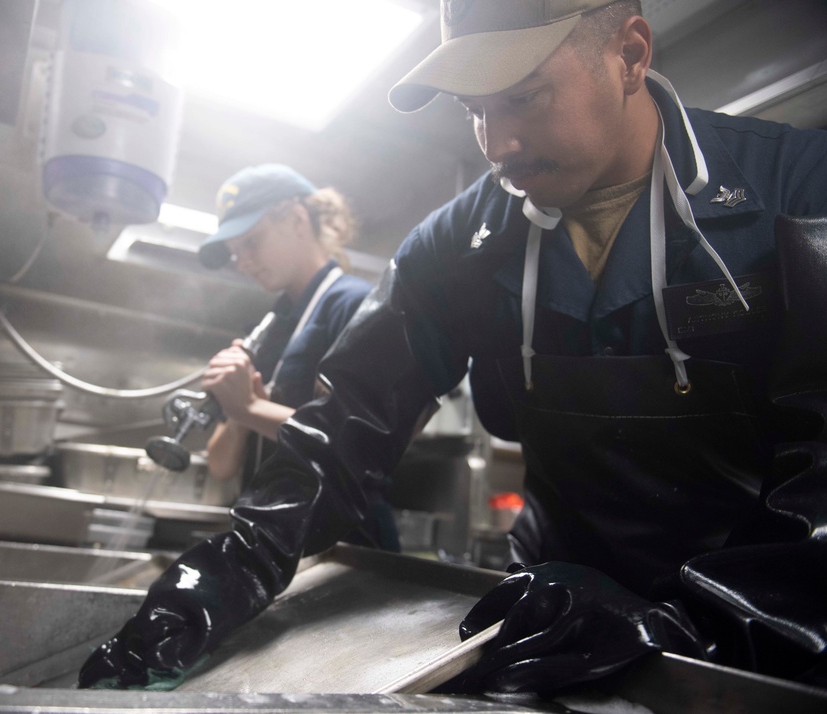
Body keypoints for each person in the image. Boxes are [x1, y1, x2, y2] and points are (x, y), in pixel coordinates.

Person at [78, 0, 827, 694]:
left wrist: (700, 629)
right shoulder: (455, 244)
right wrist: (219, 579)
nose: (497, 145)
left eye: (523, 96)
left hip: (759, 625)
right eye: (475, 111)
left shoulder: (799, 191)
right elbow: (343, 434)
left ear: (630, 54)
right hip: (547, 614)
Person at [197, 163, 400, 552]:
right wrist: (238, 407)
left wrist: (250, 406)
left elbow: (356, 443)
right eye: (233, 253)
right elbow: (220, 466)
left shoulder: (354, 304)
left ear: (296, 219)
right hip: (272, 543)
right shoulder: (271, 328)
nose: (241, 262)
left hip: (343, 548)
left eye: (251, 243)